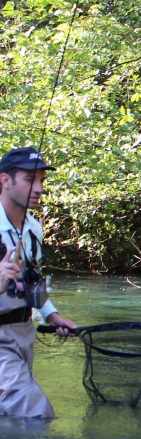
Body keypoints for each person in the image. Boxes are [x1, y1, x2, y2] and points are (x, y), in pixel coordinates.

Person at [0, 146, 77, 419]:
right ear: (5, 181)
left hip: (24, 334)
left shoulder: (34, 229)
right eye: (30, 179)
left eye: (42, 180)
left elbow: (33, 283)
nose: (39, 188)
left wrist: (52, 316)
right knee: (36, 414)